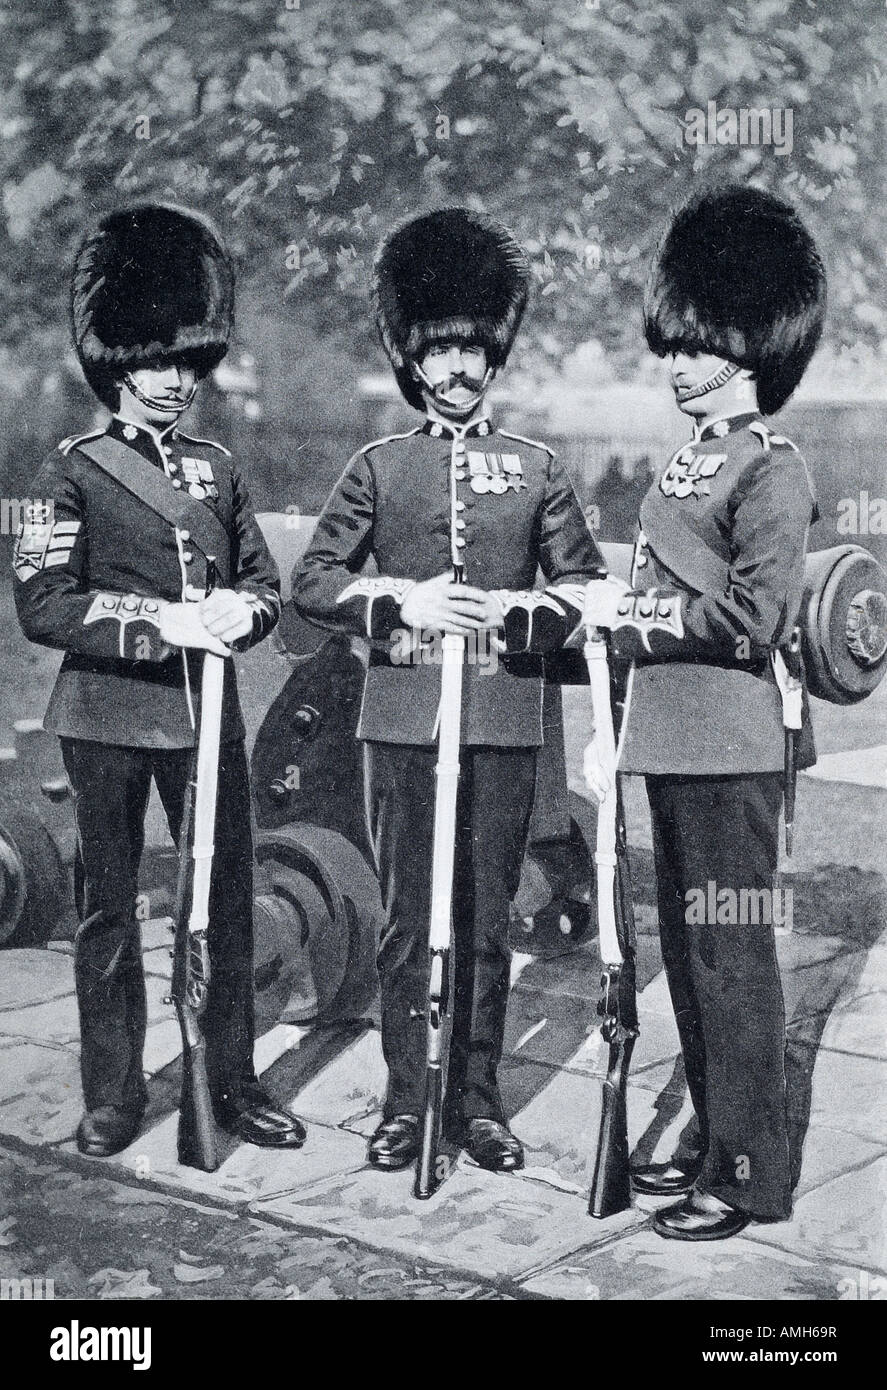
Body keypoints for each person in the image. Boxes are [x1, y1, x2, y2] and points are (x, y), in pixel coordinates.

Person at [293, 207, 603, 1174]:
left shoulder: (539, 468)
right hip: (401, 721)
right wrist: (403, 600)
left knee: (481, 919)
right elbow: (313, 585)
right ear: (413, 360)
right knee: (403, 921)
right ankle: (404, 1098)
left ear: (494, 355)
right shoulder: (378, 466)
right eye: (441, 352)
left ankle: (473, 1102)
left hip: (504, 720)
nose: (460, 369)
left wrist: (519, 617)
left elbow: (586, 588)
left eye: (474, 350)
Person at [14, 203, 306, 1158]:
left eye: (187, 363)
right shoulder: (73, 471)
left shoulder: (217, 471)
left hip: (205, 715)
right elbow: (44, 605)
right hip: (102, 715)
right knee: (106, 910)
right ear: (114, 366)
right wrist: (158, 623)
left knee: (221, 900)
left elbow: (262, 584)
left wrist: (241, 615)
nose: (174, 382)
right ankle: (112, 1092)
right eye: (153, 364)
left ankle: (230, 1080)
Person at [573, 184, 826, 1238]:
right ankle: (712, 1133)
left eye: (697, 346)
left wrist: (631, 613)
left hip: (730, 740)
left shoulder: (772, 466)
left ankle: (749, 1166)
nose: (673, 362)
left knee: (732, 958)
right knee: (683, 951)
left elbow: (755, 615)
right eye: (669, 343)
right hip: (669, 737)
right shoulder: (682, 462)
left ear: (749, 346)